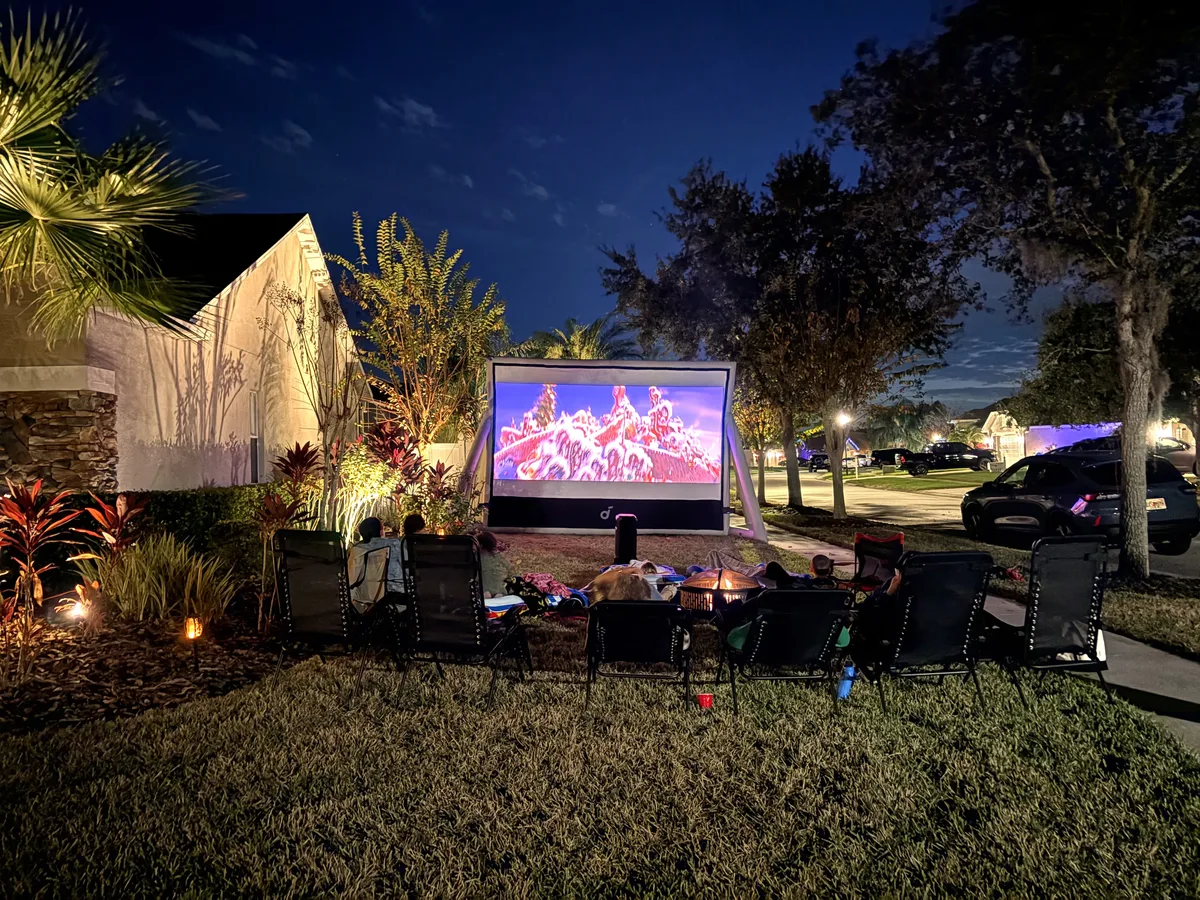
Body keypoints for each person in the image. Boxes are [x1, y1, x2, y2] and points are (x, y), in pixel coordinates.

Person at [347, 517, 405, 615]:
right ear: (381, 532)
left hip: (369, 600)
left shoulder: (358, 550)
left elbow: (350, 579)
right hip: (399, 599)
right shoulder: (396, 545)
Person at [475, 528, 515, 599]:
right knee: (499, 594)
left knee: (485, 594)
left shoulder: (476, 557)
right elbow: (509, 569)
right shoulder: (498, 557)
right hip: (499, 589)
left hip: (483, 590)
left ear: (480, 545)